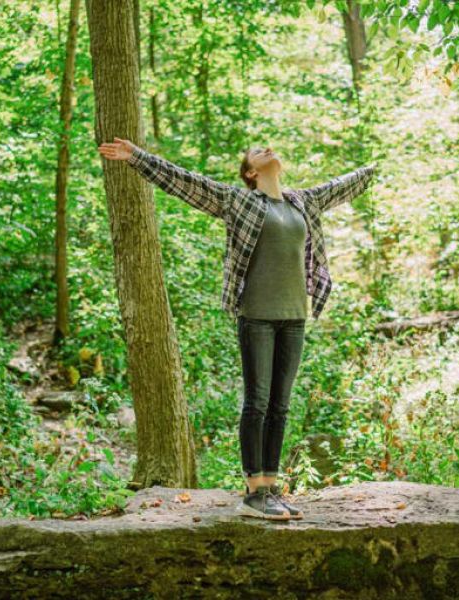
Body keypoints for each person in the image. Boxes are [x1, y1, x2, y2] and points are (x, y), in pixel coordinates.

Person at [98, 137, 377, 520]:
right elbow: (186, 183)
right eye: (258, 151)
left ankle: (271, 487)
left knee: (280, 406)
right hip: (257, 316)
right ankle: (253, 491)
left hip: (294, 316)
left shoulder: (302, 203)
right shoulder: (240, 201)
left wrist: (383, 163)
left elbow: (345, 185)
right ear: (250, 172)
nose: (269, 148)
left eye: (270, 148)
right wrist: (137, 157)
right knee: (258, 401)